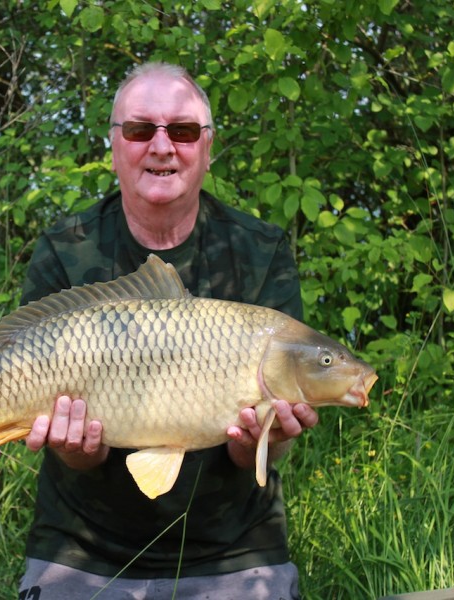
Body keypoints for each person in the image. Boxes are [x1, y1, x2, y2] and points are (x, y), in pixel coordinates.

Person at [16, 62, 318, 600]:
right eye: (139, 130)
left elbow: (255, 457)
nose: (161, 147)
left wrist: (259, 441)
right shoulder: (68, 247)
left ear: (207, 147)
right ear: (115, 146)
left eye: (181, 130)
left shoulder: (260, 251)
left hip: (233, 549)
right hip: (82, 547)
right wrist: (75, 448)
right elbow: (69, 452)